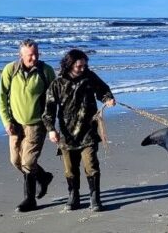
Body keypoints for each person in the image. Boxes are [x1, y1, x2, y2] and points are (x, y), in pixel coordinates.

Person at [43, 49, 116, 212]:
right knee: (70, 169)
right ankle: (73, 196)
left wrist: (108, 99)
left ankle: (95, 198)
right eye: (79, 66)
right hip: (67, 134)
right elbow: (49, 109)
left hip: (88, 131)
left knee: (91, 165)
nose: (83, 68)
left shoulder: (90, 77)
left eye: (85, 65)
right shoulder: (57, 83)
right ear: (69, 65)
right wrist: (51, 130)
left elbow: (103, 90)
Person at [0, 38, 56, 212]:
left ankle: (29, 200)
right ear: (20, 55)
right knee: (15, 161)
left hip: (36, 124)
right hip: (15, 124)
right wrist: (6, 121)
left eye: (36, 54)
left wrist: (50, 125)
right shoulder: (10, 70)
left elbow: (53, 100)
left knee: (28, 162)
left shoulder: (46, 71)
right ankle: (43, 177)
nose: (34, 58)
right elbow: (2, 97)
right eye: (30, 55)